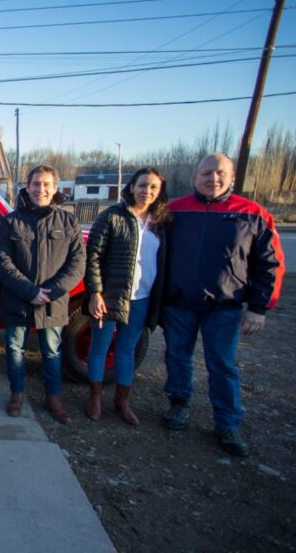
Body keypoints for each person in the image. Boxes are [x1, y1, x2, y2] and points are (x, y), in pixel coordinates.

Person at [161, 153, 285, 457]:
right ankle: (179, 403)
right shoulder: (175, 211)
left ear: (231, 177)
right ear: (195, 176)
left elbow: (269, 264)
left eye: (219, 173)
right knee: (177, 356)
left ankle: (227, 423)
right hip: (179, 303)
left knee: (222, 365)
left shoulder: (253, 214)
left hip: (225, 307)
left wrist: (259, 307)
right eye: (205, 173)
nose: (211, 179)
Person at [0, 165, 84, 424]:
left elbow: (77, 263)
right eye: (36, 184)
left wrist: (51, 292)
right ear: (28, 186)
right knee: (15, 349)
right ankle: (17, 394)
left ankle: (53, 397)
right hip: (18, 299)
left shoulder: (68, 222)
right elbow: (2, 261)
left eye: (46, 184)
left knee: (52, 351)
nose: (41, 189)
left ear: (55, 188)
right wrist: (30, 291)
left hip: (52, 303)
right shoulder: (11, 221)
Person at [84, 168, 170, 425]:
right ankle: (95, 397)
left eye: (153, 187)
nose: (147, 191)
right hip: (110, 296)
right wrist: (95, 293)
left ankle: (122, 400)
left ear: (159, 192)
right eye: (142, 185)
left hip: (142, 298)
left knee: (126, 350)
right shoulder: (112, 216)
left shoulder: (161, 223)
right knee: (99, 347)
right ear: (132, 187)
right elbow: (94, 257)